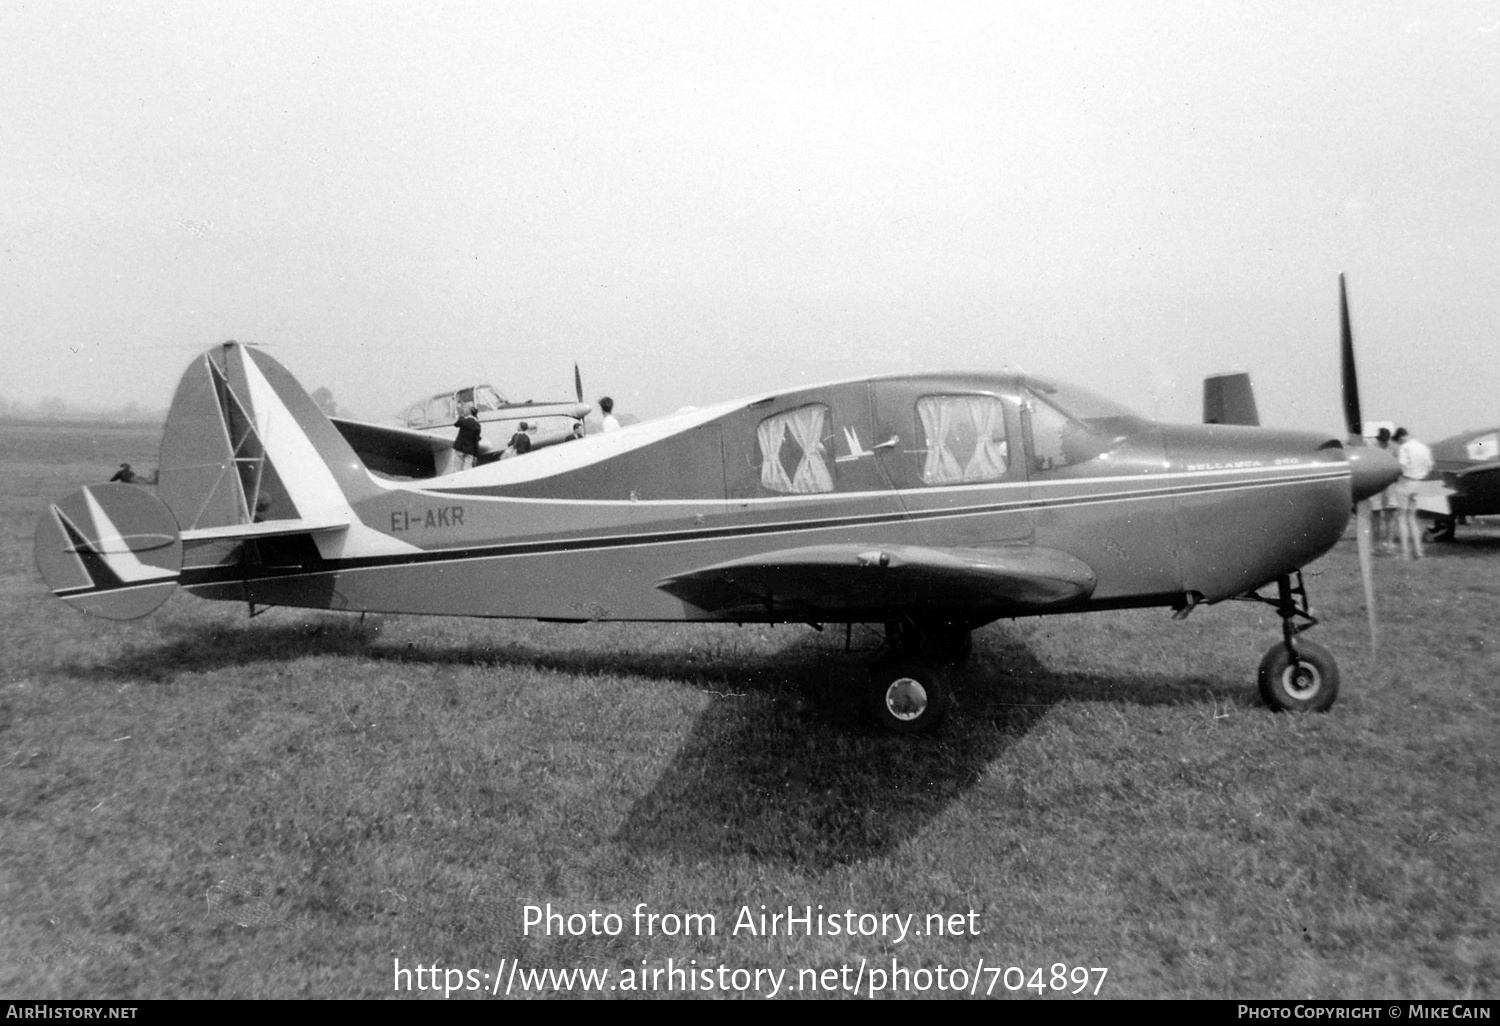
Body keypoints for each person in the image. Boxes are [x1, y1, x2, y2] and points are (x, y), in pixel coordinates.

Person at [1392, 426, 1434, 561]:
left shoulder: (1404, 448)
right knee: (1412, 518)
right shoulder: (1423, 447)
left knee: (1402, 519)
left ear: (1401, 438)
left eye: (1398, 441)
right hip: (1419, 483)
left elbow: (1402, 467)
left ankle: (1405, 553)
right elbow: (1430, 466)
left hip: (1406, 482)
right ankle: (1419, 552)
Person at [1372, 428, 1396, 551]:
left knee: (1389, 516)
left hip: (1390, 485)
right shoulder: (1372, 449)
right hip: (1376, 485)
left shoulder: (1394, 449)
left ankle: (1389, 542)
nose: (1383, 442)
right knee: (1375, 514)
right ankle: (1376, 543)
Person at [453, 405, 482, 471]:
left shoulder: (463, 421)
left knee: (457, 470)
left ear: (470, 413)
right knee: (467, 470)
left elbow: (455, 424)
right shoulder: (477, 425)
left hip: (459, 448)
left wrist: (461, 416)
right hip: (469, 450)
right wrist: (475, 455)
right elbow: (476, 441)